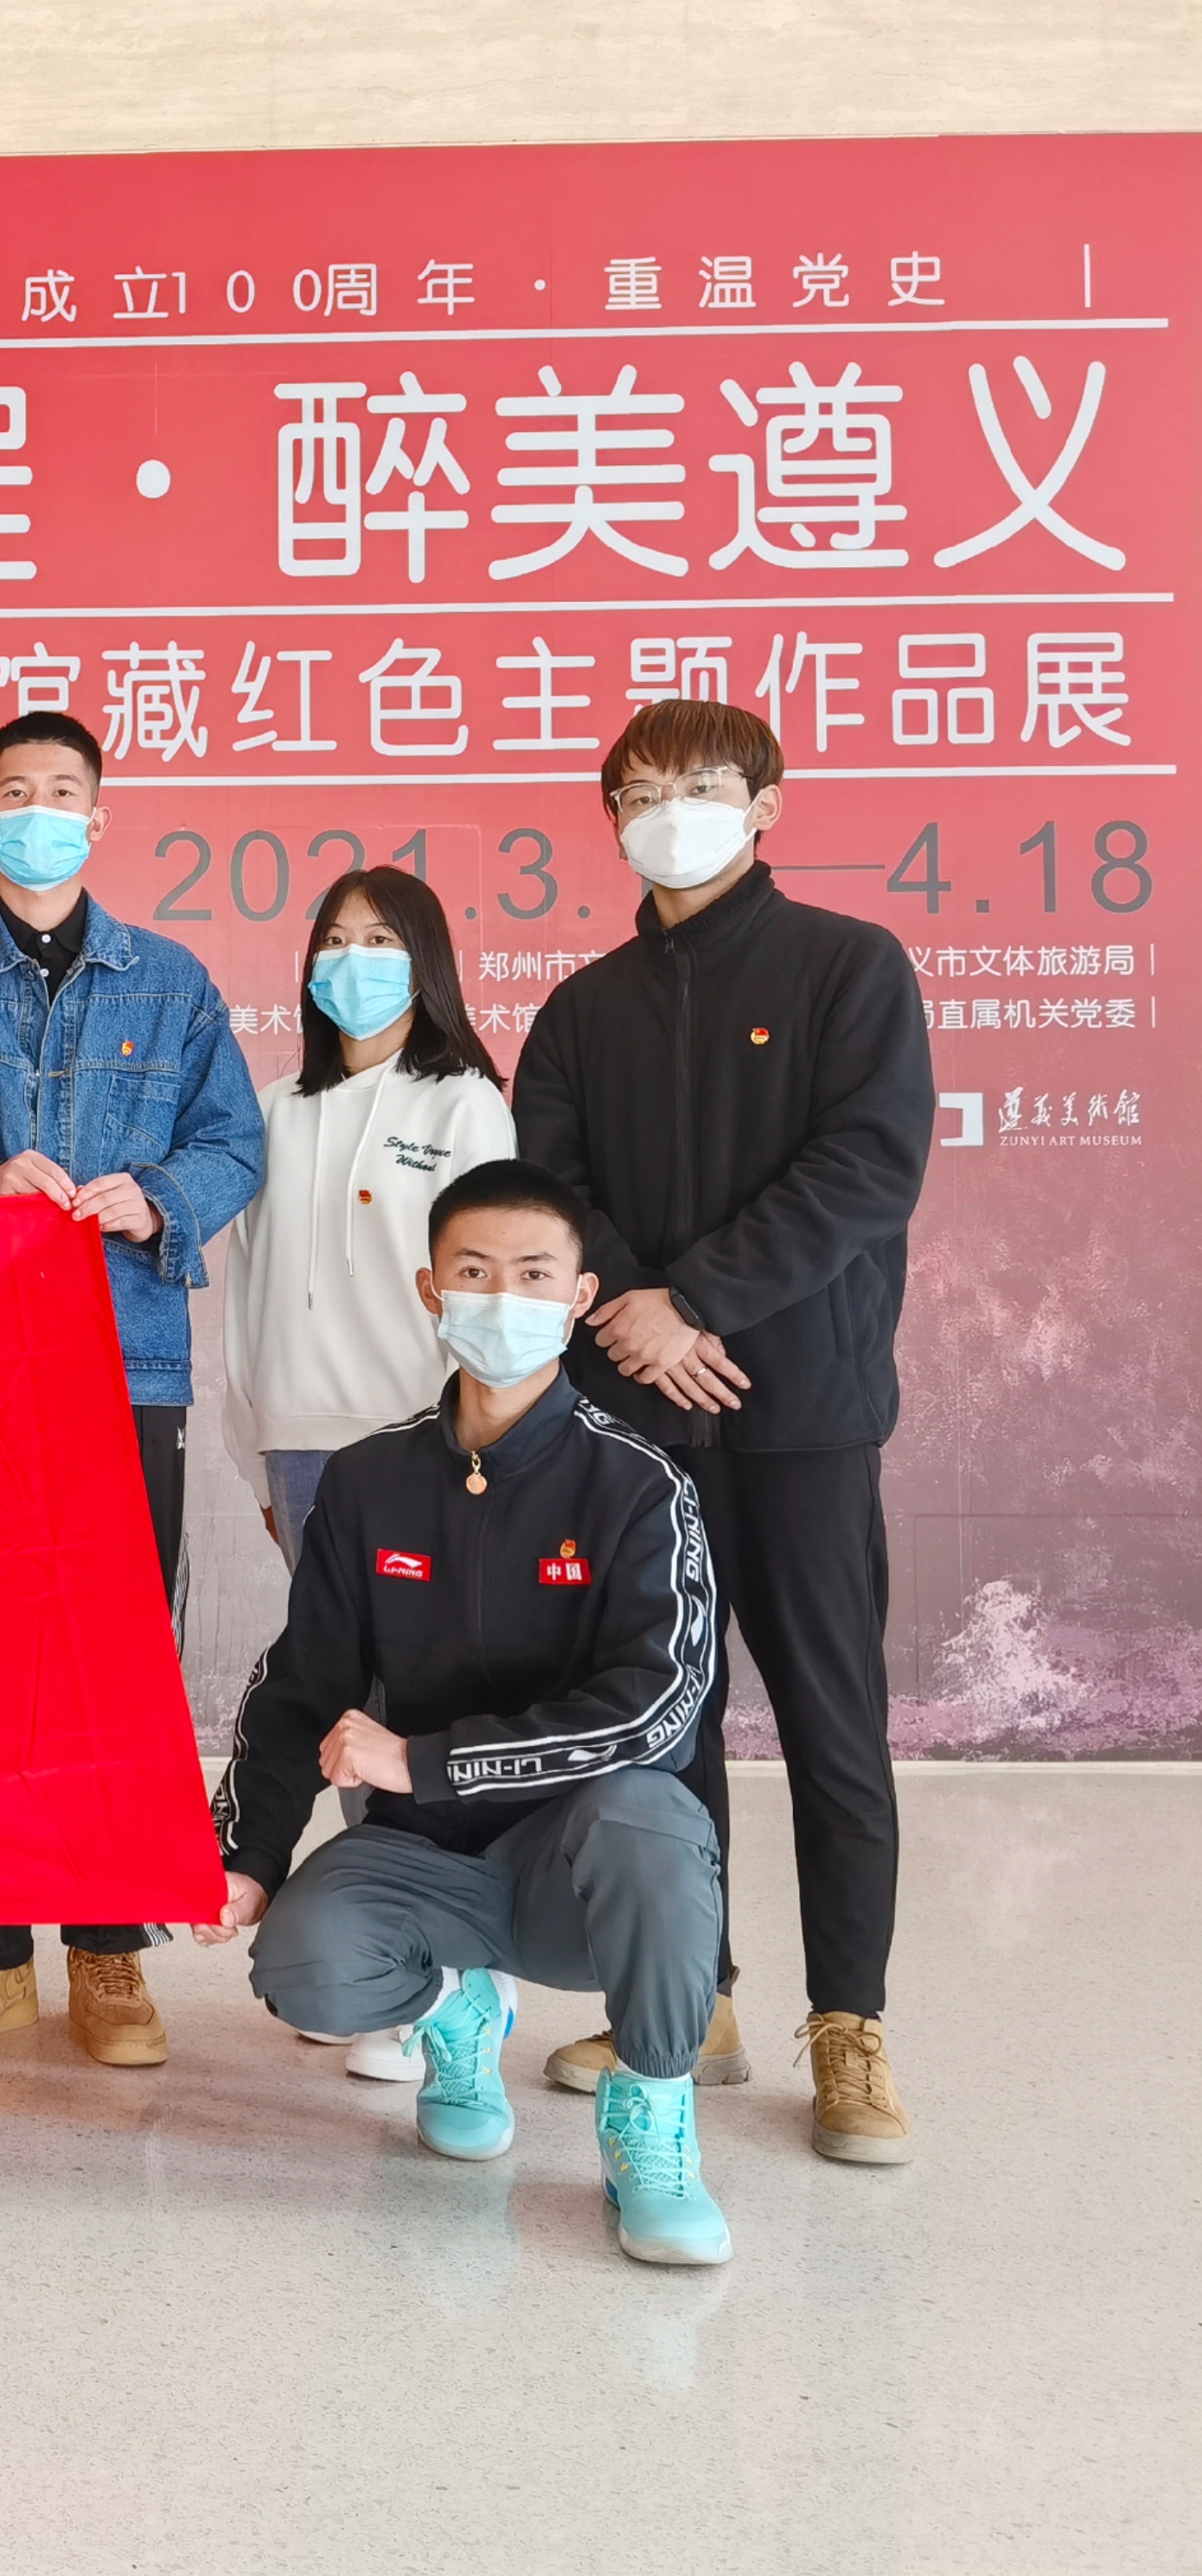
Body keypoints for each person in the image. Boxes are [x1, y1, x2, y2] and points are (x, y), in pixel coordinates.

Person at [512, 700, 932, 2164]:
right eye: (638, 789)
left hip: (800, 1409)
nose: (667, 810)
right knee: (661, 1719)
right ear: (610, 816)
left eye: (698, 784)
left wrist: (692, 1298)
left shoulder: (847, 966)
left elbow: (863, 1168)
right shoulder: (582, 1010)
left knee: (831, 1725)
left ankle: (851, 2025)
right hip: (636, 1424)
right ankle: (691, 2002)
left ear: (765, 802)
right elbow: (550, 1187)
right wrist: (637, 1308)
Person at [198, 1159, 733, 2267]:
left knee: (648, 1815)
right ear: (430, 1289)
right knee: (303, 1966)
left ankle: (651, 2113)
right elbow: (299, 1682)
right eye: (473, 1271)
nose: (502, 1296)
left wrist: (432, 1760)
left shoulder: (638, 1484)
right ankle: (455, 2009)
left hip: (581, 1867)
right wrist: (242, 1854)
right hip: (424, 1858)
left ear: (578, 1296)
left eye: (532, 1273)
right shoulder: (369, 1481)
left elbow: (658, 1706)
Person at [0, 710, 265, 2069]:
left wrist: (157, 1197)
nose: (36, 811)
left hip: (122, 1358)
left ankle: (104, 1949)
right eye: (12, 791)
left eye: (60, 790)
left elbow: (232, 1139)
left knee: (112, 1660)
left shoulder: (169, 980)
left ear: (97, 815)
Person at [218, 864, 514, 2085]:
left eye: (380, 939)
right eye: (333, 939)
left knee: (420, 1706)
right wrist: (250, 1440)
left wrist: (473, 1437)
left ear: (424, 960)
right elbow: (243, 1285)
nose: (352, 960)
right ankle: (385, 1962)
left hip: (417, 1439)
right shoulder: (274, 1104)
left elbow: (489, 1277)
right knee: (339, 1700)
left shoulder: (462, 1102)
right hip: (299, 1439)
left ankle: (464, 1975)